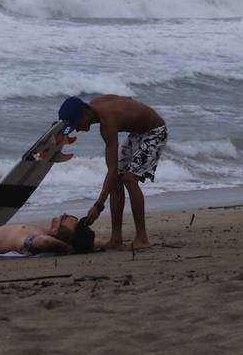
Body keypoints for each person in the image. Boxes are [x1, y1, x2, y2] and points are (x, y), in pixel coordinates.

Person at [59, 95, 167, 250]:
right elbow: (126, 98)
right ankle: (116, 239)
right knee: (116, 180)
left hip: (155, 132)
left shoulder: (108, 123)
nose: (77, 129)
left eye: (77, 124)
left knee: (129, 179)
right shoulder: (96, 102)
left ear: (85, 113)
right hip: (137, 133)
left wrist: (99, 205)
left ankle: (142, 239)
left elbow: (112, 169)